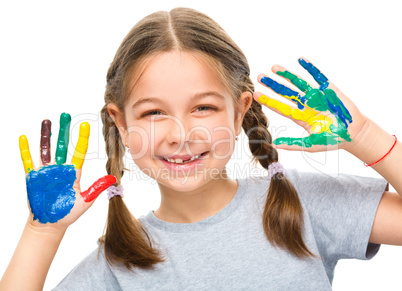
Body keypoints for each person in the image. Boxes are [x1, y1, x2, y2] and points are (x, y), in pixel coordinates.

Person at [1, 7, 401, 290]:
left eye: (203, 107)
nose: (181, 133)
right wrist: (42, 233)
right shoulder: (120, 263)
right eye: (154, 112)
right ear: (121, 123)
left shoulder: (302, 205)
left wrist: (365, 137)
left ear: (240, 109)